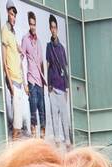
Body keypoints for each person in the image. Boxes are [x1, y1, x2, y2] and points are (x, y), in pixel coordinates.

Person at [1, 4, 31, 141]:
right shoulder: (5, 31)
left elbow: (18, 60)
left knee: (20, 119)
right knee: (17, 120)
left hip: (19, 80)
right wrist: (10, 85)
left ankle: (16, 142)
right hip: (12, 80)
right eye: (12, 14)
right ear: (7, 13)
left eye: (15, 15)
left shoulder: (13, 33)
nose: (13, 17)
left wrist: (24, 83)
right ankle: (13, 146)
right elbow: (4, 61)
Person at [21, 11, 47, 140]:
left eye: (34, 24)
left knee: (42, 114)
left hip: (40, 83)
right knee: (33, 114)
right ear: (28, 24)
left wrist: (44, 81)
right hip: (31, 81)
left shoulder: (39, 42)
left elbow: (42, 62)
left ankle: (42, 140)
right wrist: (24, 83)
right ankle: (35, 140)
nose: (33, 27)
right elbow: (22, 60)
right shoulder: (25, 39)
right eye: (31, 24)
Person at [46, 14, 71, 149]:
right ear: (50, 29)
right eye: (52, 27)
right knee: (54, 113)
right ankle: (57, 140)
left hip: (61, 86)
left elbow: (65, 68)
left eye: (55, 27)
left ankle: (67, 139)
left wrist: (67, 87)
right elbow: (48, 65)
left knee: (64, 115)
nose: (53, 30)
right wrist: (48, 85)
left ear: (57, 29)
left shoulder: (61, 48)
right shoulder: (48, 47)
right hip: (52, 86)